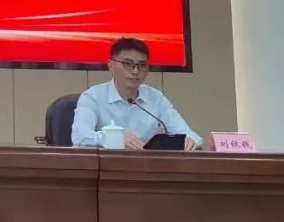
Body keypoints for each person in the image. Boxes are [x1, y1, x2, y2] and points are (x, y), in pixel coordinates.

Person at [72, 37, 201, 150]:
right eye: (128, 64)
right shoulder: (92, 97)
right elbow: (79, 137)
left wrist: (189, 140)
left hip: (147, 166)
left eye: (142, 65)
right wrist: (114, 139)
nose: (135, 71)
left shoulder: (156, 98)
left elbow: (189, 134)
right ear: (111, 65)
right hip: (108, 166)